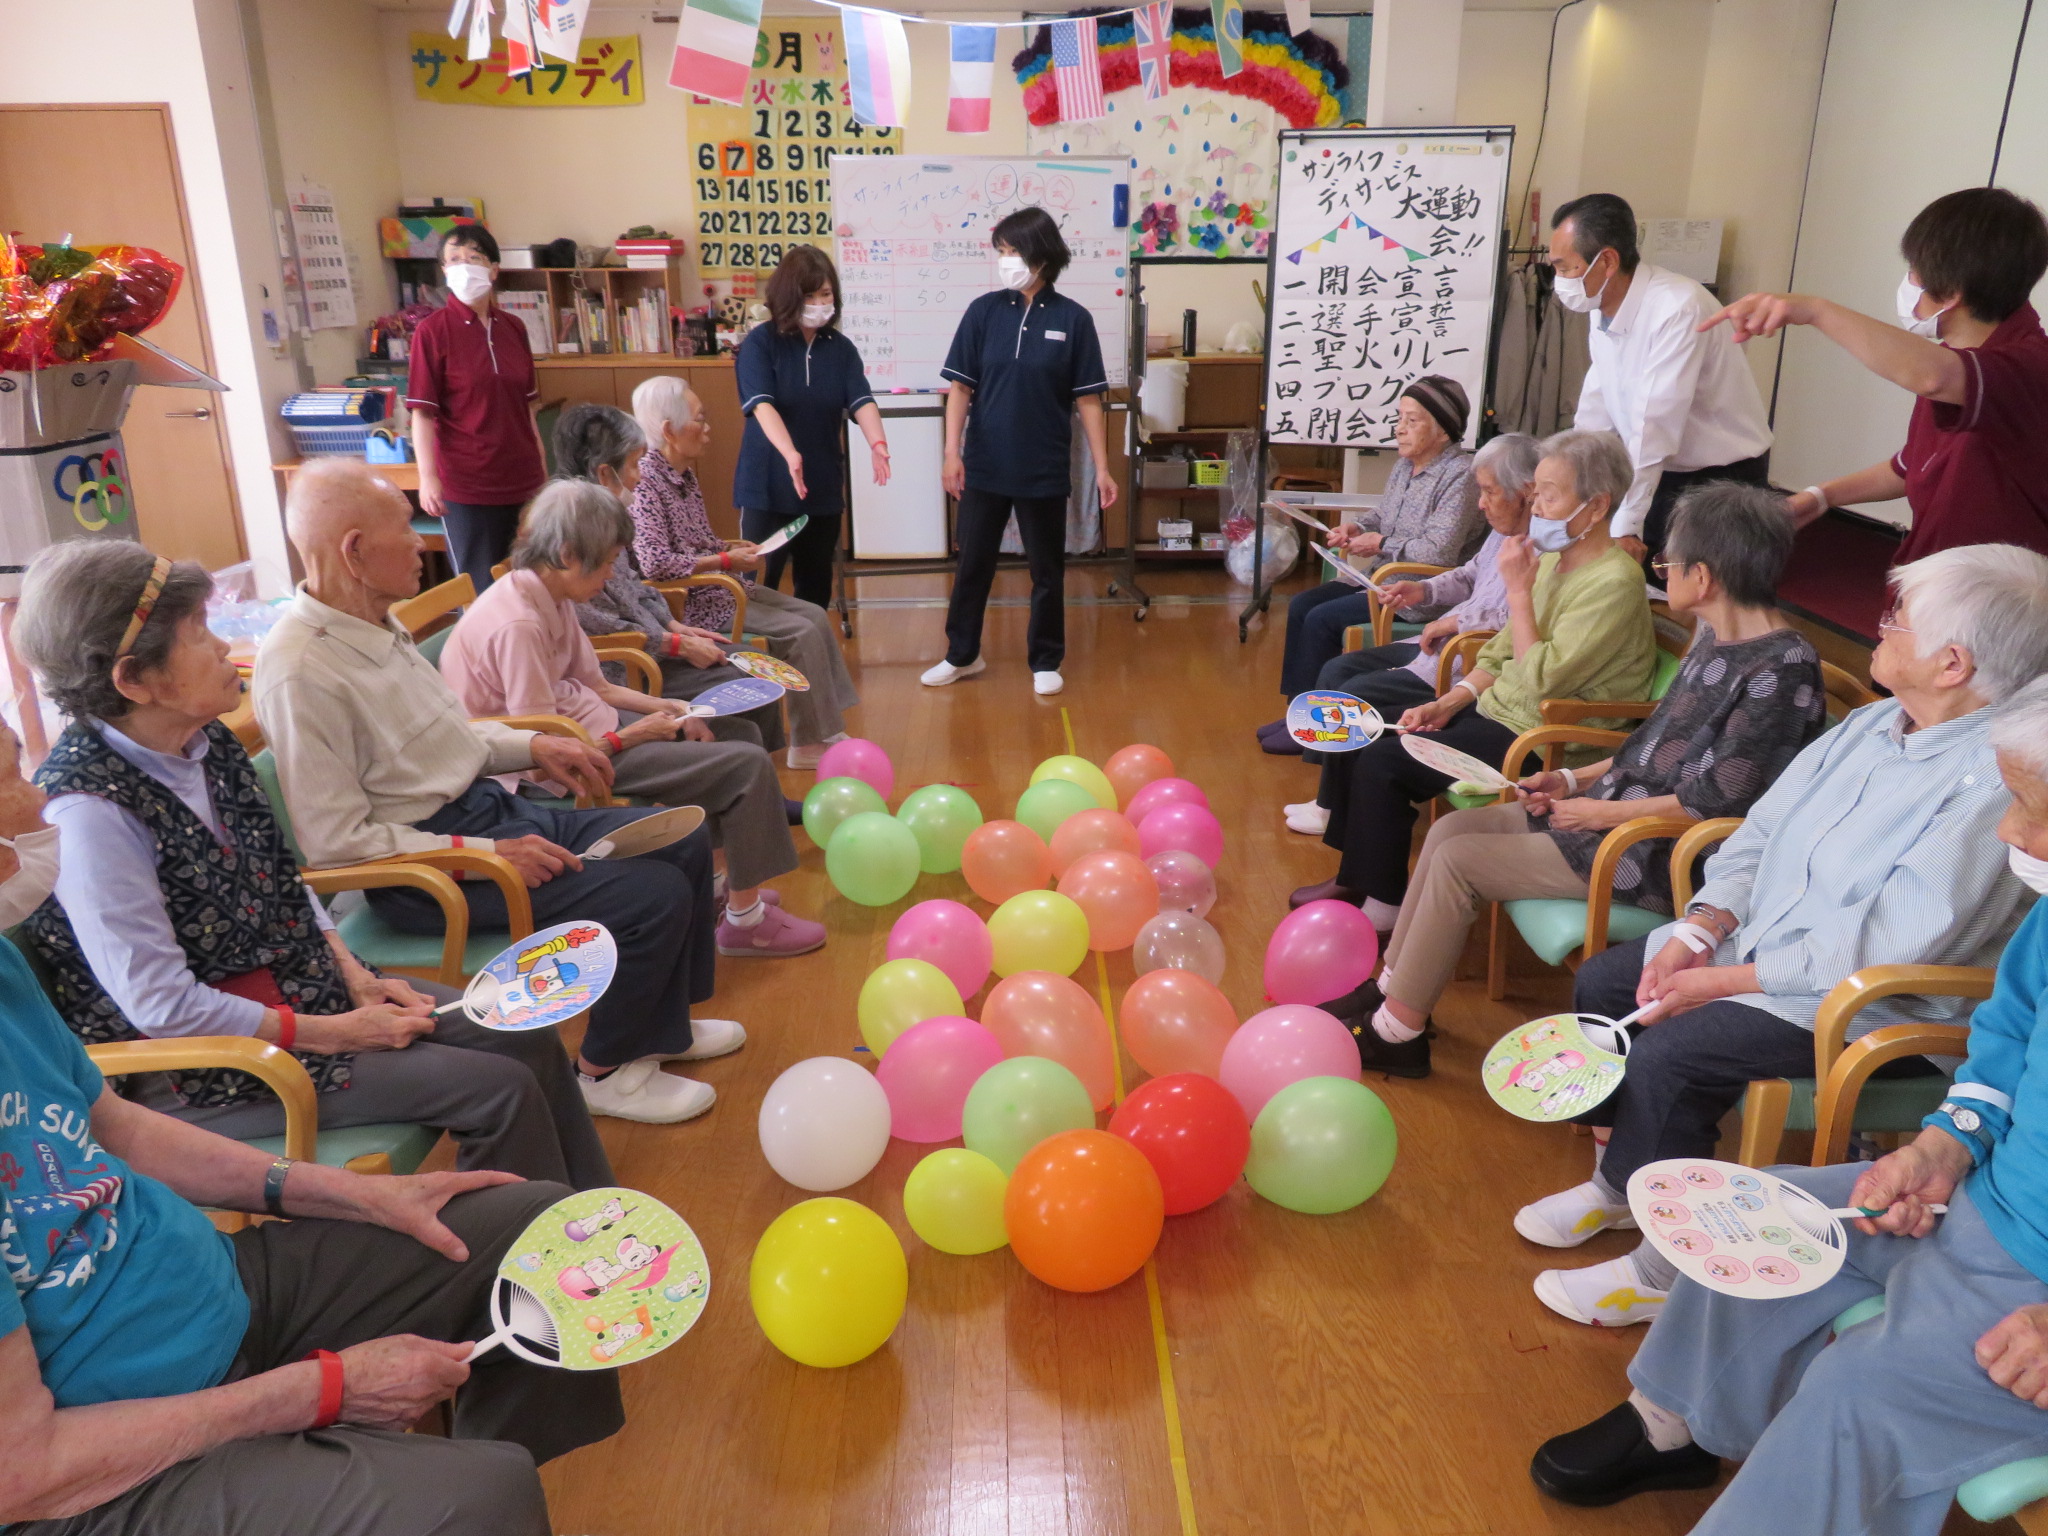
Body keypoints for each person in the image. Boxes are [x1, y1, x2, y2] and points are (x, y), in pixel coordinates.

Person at [1530, 679, 2048, 1533]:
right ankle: (1672, 1426)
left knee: (1857, 1393)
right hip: (1978, 1198)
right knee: (1754, 1213)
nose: (2007, 833)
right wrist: (1946, 1144)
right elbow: (2004, 1042)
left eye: (2029, 808)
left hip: (2029, 1274)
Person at [1516, 543, 2048, 1331]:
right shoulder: (1872, 724)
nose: (1881, 626)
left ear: (1952, 663)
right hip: (1759, 954)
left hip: (1865, 1005)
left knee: (1675, 1051)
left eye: (1899, 618)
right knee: (1606, 982)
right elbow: (1758, 832)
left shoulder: (1990, 779)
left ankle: (1661, 1272)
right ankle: (1622, 1185)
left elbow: (1879, 948)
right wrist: (1701, 929)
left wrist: (1719, 981)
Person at [0, 885, 617, 1533]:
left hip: (212, 1289)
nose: (20, 845)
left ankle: (428, 1470)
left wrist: (362, 1195)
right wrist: (320, 1391)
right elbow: (23, 1473)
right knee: (482, 1497)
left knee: (541, 1236)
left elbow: (120, 1128)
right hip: (88, 1457)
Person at [9, 544, 609, 1188]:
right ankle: (528, 1244)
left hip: (297, 987)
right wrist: (334, 1032)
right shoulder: (90, 811)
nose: (223, 646)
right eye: (198, 633)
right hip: (196, 1064)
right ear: (134, 680)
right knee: (497, 1089)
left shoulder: (206, 744)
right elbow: (160, 1005)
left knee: (522, 1030)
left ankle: (594, 1218)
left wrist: (352, 974)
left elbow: (280, 877)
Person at [254, 459, 737, 1127]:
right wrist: (487, 853)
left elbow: (455, 740)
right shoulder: (300, 669)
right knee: (647, 895)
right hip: (428, 872)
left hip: (485, 815)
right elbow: (336, 844)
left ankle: (661, 1029)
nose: (421, 541)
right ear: (355, 552)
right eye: (405, 528)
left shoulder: (375, 623)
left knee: (679, 836)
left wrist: (535, 746)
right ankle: (605, 1071)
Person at [1341, 484, 1827, 1079]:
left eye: (1667, 563)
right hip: (1615, 813)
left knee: (1458, 862)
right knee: (1450, 834)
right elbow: (1649, 746)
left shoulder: (1781, 668)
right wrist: (1572, 780)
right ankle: (1389, 992)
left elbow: (1719, 806)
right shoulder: (1719, 640)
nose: (1661, 571)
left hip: (1656, 852)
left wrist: (1596, 814)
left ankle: (1398, 1033)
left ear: (1702, 577)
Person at [440, 478, 824, 963]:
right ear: (567, 554)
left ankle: (716, 889)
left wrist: (672, 708)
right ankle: (746, 923)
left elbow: (598, 686)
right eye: (605, 563)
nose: (609, 577)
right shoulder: (517, 624)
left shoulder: (550, 594)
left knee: (734, 732)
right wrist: (633, 735)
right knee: (743, 765)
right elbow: (543, 756)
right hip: (560, 767)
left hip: (591, 728)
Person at [1292, 430, 1657, 928]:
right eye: (1536, 495)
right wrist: (1447, 703)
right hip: (1497, 713)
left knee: (1384, 762)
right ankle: (1357, 877)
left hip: (1545, 739)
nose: (1537, 508)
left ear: (1596, 507)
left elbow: (1543, 682)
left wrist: (1518, 593)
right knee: (1367, 729)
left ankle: (1382, 908)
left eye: (1549, 497)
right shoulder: (1554, 559)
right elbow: (1501, 650)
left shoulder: (1614, 582)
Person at [1706, 186, 2048, 564]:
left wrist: (1814, 310)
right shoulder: (1956, 357)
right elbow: (1910, 467)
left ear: (1952, 292)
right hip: (1931, 568)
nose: (1909, 281)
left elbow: (1933, 377)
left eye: (1914, 272)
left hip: (1990, 587)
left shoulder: (2027, 364)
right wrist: (1822, 496)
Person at [1277, 431, 1539, 810]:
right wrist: (1423, 590)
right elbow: (1469, 574)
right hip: (1437, 645)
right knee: (1337, 669)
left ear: (1525, 492)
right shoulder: (1503, 533)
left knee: (1354, 695)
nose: (1481, 503)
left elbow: (1514, 619)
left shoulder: (1543, 549)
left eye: (1489, 492)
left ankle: (1331, 805)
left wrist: (1455, 622)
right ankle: (1328, 795)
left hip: (1461, 658)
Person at [925, 206, 1116, 699]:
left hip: (1043, 466)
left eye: (1013, 251)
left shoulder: (1073, 319)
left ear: (1041, 255)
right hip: (984, 463)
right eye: (1001, 252)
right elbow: (960, 390)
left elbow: (1088, 401)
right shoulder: (983, 312)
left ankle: (1046, 659)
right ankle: (962, 654)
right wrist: (951, 453)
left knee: (1047, 570)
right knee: (973, 565)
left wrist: (1103, 468)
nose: (1005, 260)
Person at [628, 376, 862, 767]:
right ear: (669, 430)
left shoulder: (683, 473)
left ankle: (824, 724)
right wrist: (724, 562)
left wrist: (729, 549)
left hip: (719, 586)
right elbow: (655, 562)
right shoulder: (646, 483)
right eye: (699, 420)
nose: (707, 429)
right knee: (800, 632)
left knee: (814, 614)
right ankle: (807, 743)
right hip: (695, 602)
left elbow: (697, 541)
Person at [1258, 376, 1485, 752]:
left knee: (1322, 619)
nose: (1399, 428)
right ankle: (1296, 712)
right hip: (1380, 578)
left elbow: (1439, 553)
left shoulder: (1461, 476)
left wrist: (1379, 543)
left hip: (1418, 592)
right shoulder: (1406, 465)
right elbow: (1383, 515)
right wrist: (1358, 527)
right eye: (1399, 417)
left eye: (1412, 420)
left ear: (1444, 430)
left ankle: (1315, 727)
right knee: (1301, 605)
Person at [550, 402, 787, 755]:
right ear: (604, 474)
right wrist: (674, 644)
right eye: (634, 465)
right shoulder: (572, 535)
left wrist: (677, 627)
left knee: (756, 665)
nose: (639, 476)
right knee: (748, 683)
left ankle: (760, 765)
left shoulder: (605, 517)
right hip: (630, 668)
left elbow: (639, 588)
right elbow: (601, 626)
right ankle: (745, 763)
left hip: (653, 646)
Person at [1549, 192, 1772, 560]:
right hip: (1655, 468)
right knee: (1638, 578)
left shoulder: (1677, 307)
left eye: (1564, 268)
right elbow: (1596, 406)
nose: (1560, 280)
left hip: (1719, 478)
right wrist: (1573, 485)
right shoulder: (1600, 305)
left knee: (1702, 585)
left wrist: (1625, 524)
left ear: (1607, 261)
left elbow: (1654, 424)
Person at [732, 244, 890, 610]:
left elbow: (862, 400)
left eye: (826, 294)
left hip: (820, 485)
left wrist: (878, 443)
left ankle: (809, 646)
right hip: (768, 484)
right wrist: (790, 454)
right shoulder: (761, 343)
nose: (819, 303)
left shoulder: (840, 348)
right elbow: (762, 406)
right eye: (809, 296)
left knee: (815, 588)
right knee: (756, 587)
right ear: (789, 296)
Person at [403, 225, 548, 594]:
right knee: (483, 590)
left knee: (533, 584)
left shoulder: (514, 328)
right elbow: (422, 413)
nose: (463, 266)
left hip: (523, 479)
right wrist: (428, 477)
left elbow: (528, 408)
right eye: (453, 259)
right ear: (444, 270)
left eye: (474, 258)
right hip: (468, 485)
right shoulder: (432, 332)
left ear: (494, 269)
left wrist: (542, 468)